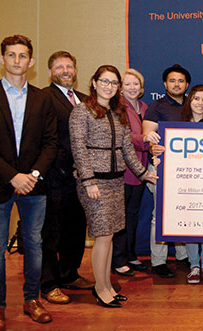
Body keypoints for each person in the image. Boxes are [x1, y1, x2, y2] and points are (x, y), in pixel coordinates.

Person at [69, 65, 156, 308]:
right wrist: (87, 181)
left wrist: (143, 173)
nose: (109, 86)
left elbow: (127, 148)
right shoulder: (81, 111)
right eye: (104, 81)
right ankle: (100, 288)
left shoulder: (119, 113)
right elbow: (79, 148)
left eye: (113, 82)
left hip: (116, 181)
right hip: (94, 183)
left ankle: (106, 284)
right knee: (103, 236)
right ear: (94, 83)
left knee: (109, 236)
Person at [0, 34, 57, 331]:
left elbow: (51, 142)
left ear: (30, 62)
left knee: (34, 245)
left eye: (23, 56)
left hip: (35, 186)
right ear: (2, 59)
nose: (17, 60)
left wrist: (33, 175)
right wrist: (11, 176)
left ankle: (32, 300)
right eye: (11, 55)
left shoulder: (43, 98)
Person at [40, 51, 94, 306]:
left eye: (69, 66)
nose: (65, 70)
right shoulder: (43, 98)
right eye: (60, 67)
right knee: (52, 232)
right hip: (55, 176)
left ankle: (70, 274)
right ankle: (49, 284)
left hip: (80, 178)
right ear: (50, 72)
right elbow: (45, 138)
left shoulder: (84, 100)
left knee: (75, 228)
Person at [142, 64, 191, 278]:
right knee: (159, 216)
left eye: (181, 81)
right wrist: (154, 147)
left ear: (186, 84)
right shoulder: (156, 107)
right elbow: (148, 137)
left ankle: (183, 256)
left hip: (188, 171)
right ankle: (159, 261)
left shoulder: (194, 104)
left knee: (183, 213)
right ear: (165, 84)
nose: (177, 84)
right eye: (172, 80)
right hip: (162, 169)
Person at [111, 69, 152, 277]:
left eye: (136, 84)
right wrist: (144, 139)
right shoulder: (117, 108)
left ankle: (130, 254)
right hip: (124, 170)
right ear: (120, 87)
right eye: (128, 84)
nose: (132, 88)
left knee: (133, 215)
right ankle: (117, 260)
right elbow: (123, 137)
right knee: (121, 217)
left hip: (141, 169)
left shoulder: (144, 107)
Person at [181, 85, 203, 284]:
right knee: (192, 223)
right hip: (187, 181)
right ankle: (194, 265)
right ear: (190, 100)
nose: (200, 103)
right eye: (196, 99)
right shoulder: (178, 126)